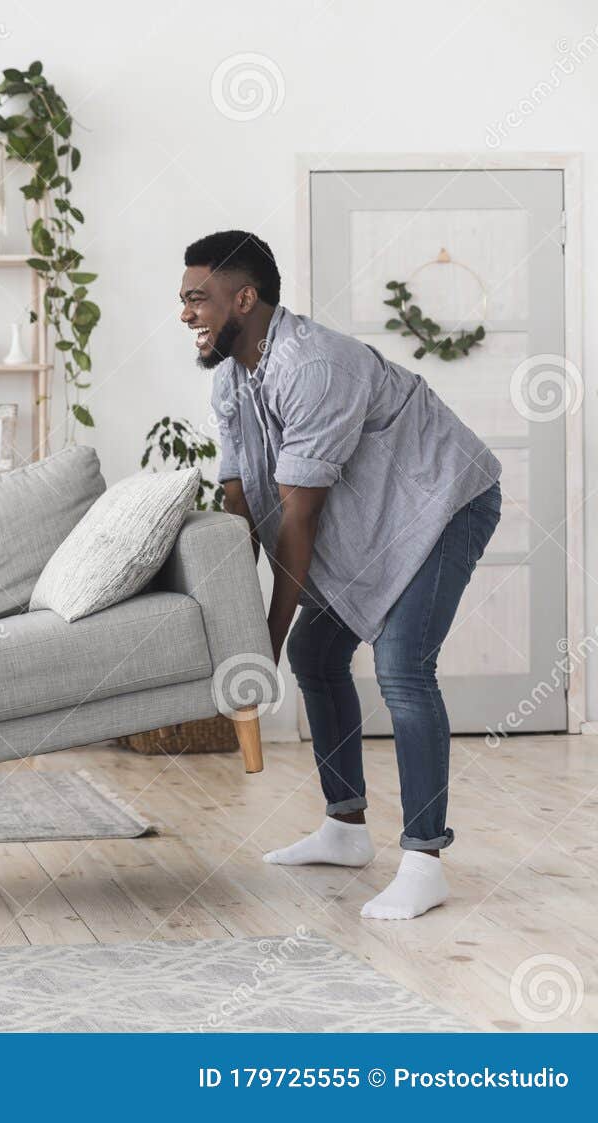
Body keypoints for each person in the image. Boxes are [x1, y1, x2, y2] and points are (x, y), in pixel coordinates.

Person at [180, 230, 502, 920]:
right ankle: (345, 827)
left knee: (402, 665)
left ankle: (424, 858)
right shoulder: (232, 380)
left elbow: (299, 520)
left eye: (197, 298)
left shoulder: (313, 365)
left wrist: (261, 646)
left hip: (443, 501)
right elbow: (242, 507)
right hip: (377, 517)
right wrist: (242, 632)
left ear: (244, 298)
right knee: (317, 652)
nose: (186, 313)